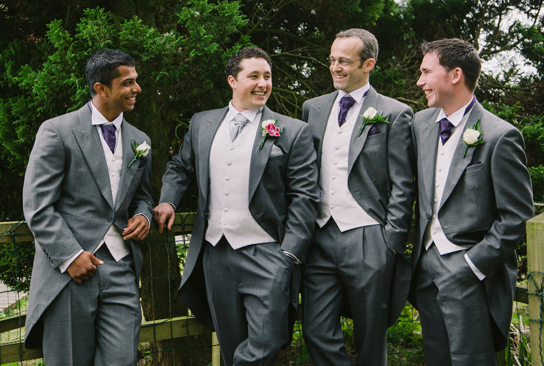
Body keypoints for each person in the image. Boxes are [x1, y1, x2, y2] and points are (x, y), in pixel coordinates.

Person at [154, 47, 318, 365]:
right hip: (215, 254)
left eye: (267, 76)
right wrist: (168, 200)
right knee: (231, 347)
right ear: (232, 80)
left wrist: (288, 255)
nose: (263, 83)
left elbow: (305, 197)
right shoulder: (202, 123)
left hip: (269, 255)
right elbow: (180, 167)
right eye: (253, 76)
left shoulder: (292, 131)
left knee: (265, 343)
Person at [22, 49, 153, 364]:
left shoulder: (140, 139)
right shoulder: (57, 130)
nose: (137, 89)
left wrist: (144, 215)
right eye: (128, 82)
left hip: (121, 267)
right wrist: (69, 256)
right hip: (70, 273)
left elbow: (143, 195)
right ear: (101, 89)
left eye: (136, 81)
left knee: (122, 359)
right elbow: (37, 205)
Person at [411, 38, 533, 365]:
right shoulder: (421, 125)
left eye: (426, 72)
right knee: (436, 357)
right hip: (425, 267)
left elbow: (516, 216)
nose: (420, 81)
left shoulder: (499, 135)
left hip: (469, 271)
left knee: (471, 361)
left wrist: (472, 266)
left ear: (454, 75)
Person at [300, 28, 415, 365]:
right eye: (333, 60)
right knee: (315, 329)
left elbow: (403, 183)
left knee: (370, 334)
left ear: (368, 64)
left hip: (368, 236)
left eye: (345, 62)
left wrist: (390, 241)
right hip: (320, 235)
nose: (336, 67)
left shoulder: (394, 112)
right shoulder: (313, 109)